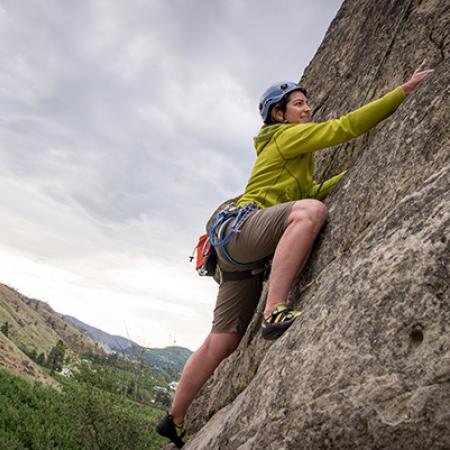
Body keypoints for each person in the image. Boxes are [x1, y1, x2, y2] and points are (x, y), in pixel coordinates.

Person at [156, 62, 433, 448]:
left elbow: (315, 189)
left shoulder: (295, 159)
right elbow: (344, 128)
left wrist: (358, 172)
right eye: (299, 104)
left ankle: (174, 418)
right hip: (244, 229)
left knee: (222, 341)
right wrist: (403, 92)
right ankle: (275, 310)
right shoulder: (284, 137)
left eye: (308, 103)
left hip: (239, 253)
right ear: (278, 113)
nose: (308, 109)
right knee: (311, 212)